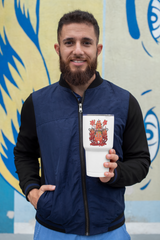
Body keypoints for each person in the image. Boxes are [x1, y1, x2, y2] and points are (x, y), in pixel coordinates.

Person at [14, 10, 150, 240]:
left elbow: (141, 161)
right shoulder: (36, 104)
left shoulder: (124, 102)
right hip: (52, 230)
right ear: (58, 49)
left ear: (98, 49)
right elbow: (24, 154)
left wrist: (116, 173)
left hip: (110, 231)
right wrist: (31, 190)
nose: (78, 50)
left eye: (86, 42)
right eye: (69, 42)